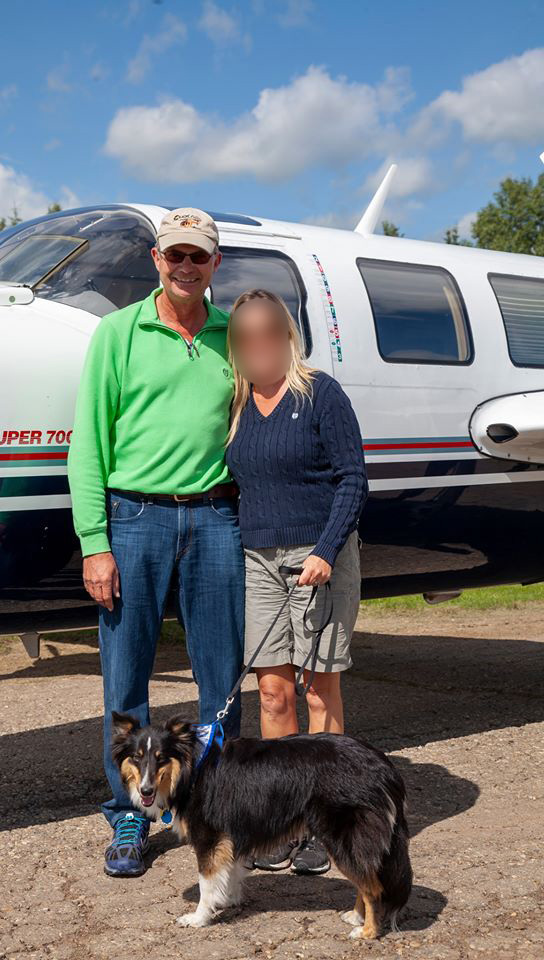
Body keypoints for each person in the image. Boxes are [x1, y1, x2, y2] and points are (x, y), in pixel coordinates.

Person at [67, 208, 245, 878]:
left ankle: (218, 808)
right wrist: (95, 542)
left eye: (198, 256)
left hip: (218, 521)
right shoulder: (117, 334)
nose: (186, 267)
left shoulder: (236, 335)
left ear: (214, 264)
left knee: (221, 681)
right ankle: (129, 816)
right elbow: (89, 443)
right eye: (175, 255)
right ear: (156, 259)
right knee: (126, 680)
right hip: (134, 520)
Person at [225, 288, 368, 874]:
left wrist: (328, 550)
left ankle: (323, 817)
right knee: (273, 691)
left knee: (317, 690)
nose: (259, 347)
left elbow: (353, 479)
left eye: (269, 334)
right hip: (258, 559)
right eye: (246, 338)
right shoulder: (236, 404)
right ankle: (282, 815)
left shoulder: (319, 395)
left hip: (318, 558)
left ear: (287, 336)